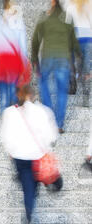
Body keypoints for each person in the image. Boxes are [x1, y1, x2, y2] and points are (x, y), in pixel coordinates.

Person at [1, 86, 59, 224]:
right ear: (33, 95)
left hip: (19, 156)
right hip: (36, 156)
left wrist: (10, 149)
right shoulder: (43, 111)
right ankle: (28, 212)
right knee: (31, 186)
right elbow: (51, 135)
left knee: (27, 184)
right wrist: (47, 148)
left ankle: (28, 213)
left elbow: (5, 135)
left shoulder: (10, 112)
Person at [31, 0, 82, 134]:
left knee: (42, 83)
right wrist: (78, 54)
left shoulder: (45, 16)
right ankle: (59, 124)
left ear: (52, 3)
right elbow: (73, 40)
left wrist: (34, 58)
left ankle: (49, 121)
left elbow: (35, 39)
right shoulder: (67, 18)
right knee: (61, 90)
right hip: (63, 58)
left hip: (48, 57)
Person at [0, 0, 30, 115]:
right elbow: (23, 47)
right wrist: (24, 65)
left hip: (1, 63)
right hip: (14, 64)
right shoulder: (19, 24)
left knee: (3, 97)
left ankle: (5, 122)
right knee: (13, 94)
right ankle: (14, 121)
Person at [66, 0, 91, 107]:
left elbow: (67, 25)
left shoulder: (70, 5)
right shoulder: (89, 4)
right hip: (88, 37)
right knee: (85, 67)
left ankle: (72, 85)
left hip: (75, 35)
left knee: (70, 59)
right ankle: (86, 94)